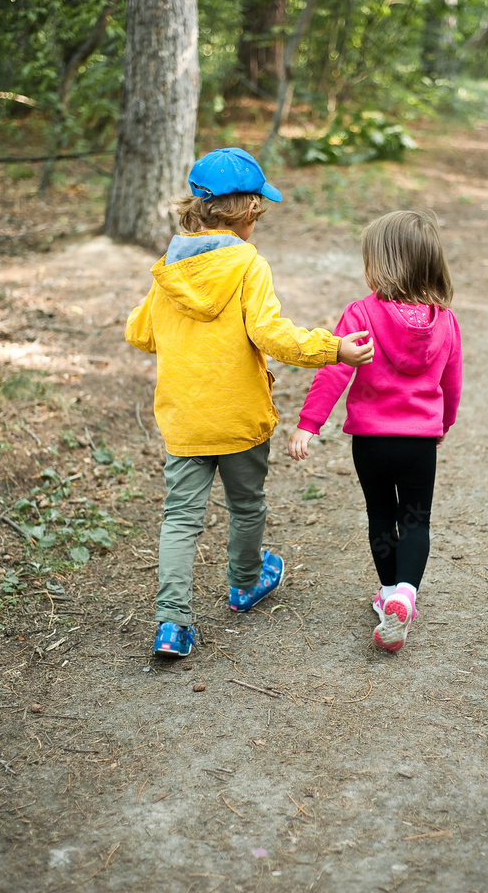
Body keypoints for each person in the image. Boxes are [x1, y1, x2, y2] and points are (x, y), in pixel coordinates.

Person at [125, 147, 374, 657]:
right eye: (258, 209)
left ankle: (171, 624)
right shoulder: (247, 264)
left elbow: (140, 332)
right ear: (245, 211)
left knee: (180, 519)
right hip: (239, 417)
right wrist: (335, 348)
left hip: (185, 420)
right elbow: (270, 334)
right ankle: (243, 583)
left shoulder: (169, 267)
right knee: (246, 504)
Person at [288, 210, 462, 652]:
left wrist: (310, 424)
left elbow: (334, 373)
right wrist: (443, 423)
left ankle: (388, 595)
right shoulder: (445, 320)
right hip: (419, 441)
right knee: (416, 518)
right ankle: (406, 593)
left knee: (381, 515)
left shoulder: (361, 313)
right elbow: (451, 380)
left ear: (380, 264)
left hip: (371, 440)